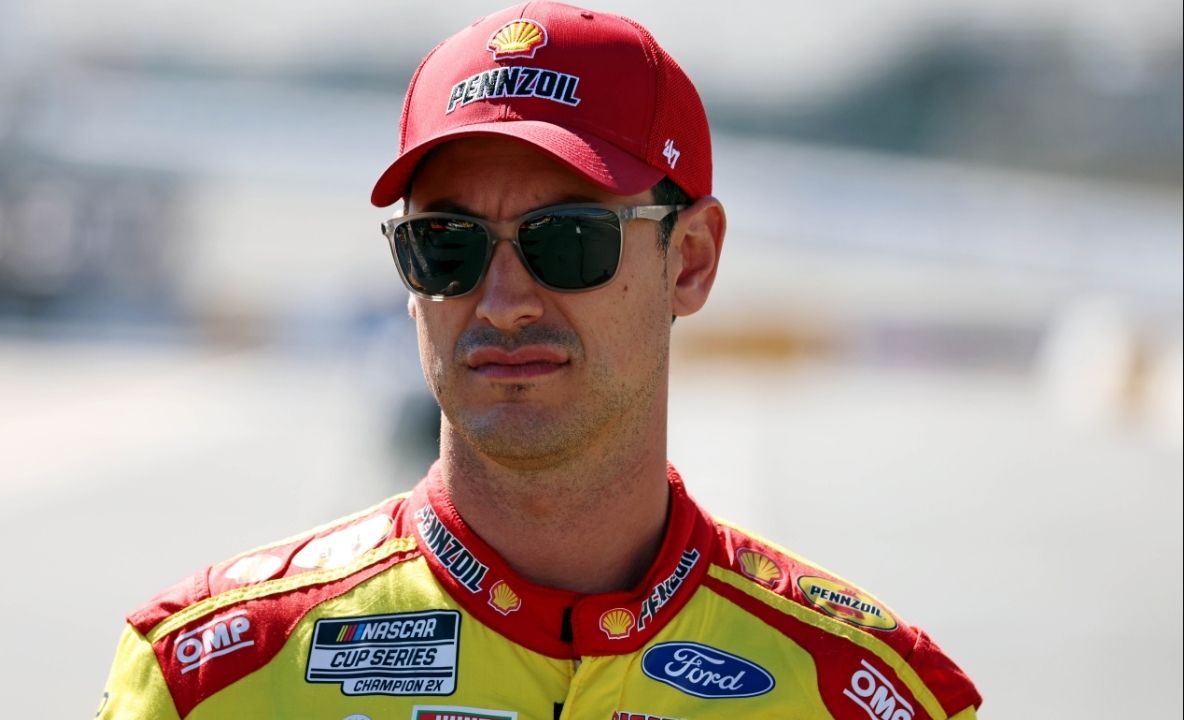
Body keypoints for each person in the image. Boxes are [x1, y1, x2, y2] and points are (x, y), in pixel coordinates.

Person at [97, 3, 982, 718]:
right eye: (446, 243)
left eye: (569, 240)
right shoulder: (204, 684)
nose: (503, 299)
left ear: (693, 260)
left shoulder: (869, 698)